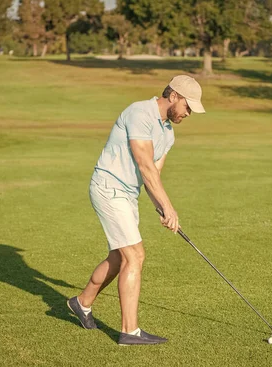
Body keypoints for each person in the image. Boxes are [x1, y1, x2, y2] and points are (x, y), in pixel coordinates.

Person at [67, 75, 205, 346]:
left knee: (119, 258)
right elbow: (144, 163)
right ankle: (129, 332)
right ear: (174, 96)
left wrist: (161, 208)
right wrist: (169, 207)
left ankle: (81, 303)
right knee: (136, 256)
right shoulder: (139, 112)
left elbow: (154, 175)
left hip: (128, 195)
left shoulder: (168, 133)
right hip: (108, 188)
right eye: (188, 106)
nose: (189, 113)